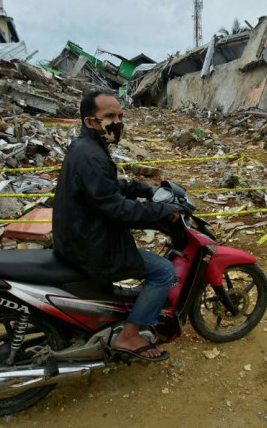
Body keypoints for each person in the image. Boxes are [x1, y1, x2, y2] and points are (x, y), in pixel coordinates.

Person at [53, 90, 181, 361]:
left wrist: (143, 189)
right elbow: (115, 207)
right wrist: (162, 210)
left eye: (121, 115)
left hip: (80, 235)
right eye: (109, 116)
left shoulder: (85, 147)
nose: (118, 122)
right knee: (163, 271)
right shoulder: (93, 155)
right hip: (91, 245)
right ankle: (129, 335)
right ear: (91, 121)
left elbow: (104, 189)